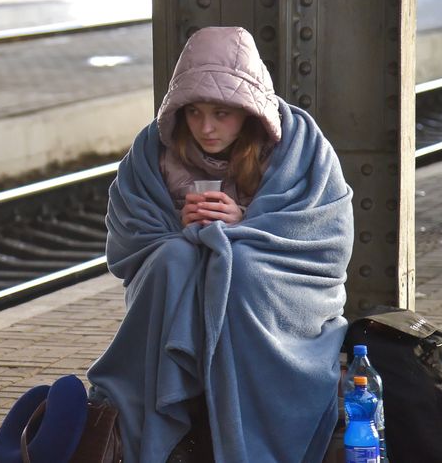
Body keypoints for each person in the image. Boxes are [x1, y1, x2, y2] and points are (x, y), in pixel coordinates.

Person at [86, 26, 353, 462]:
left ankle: (257, 438)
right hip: (182, 284)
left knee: (243, 266)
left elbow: (323, 233)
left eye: (221, 113)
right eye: (193, 113)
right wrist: (180, 227)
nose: (206, 128)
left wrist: (245, 223)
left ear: (248, 110)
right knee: (172, 257)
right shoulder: (152, 152)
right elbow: (130, 235)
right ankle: (162, 431)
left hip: (272, 285)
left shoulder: (300, 146)